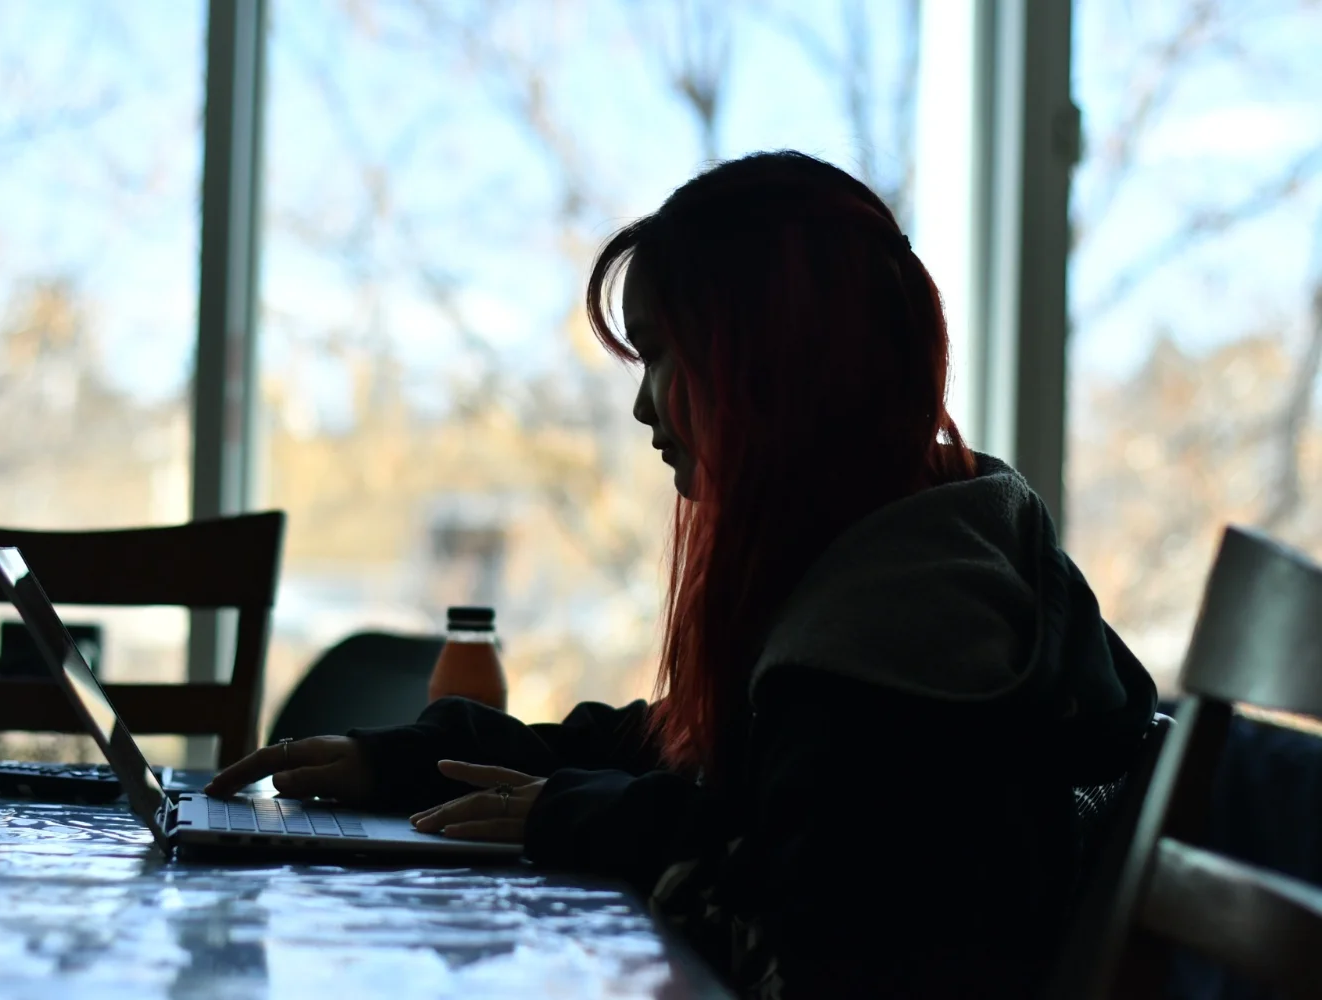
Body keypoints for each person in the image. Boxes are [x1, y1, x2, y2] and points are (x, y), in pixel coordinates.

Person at [207, 150, 1156, 998]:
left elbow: (811, 921)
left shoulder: (904, 634)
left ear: (776, 365)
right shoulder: (924, 551)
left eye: (662, 354)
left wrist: (584, 819)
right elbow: (695, 754)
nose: (642, 406)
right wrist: (419, 759)